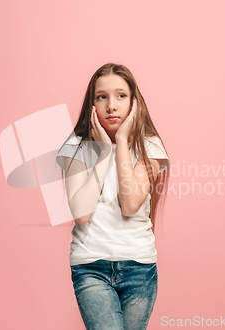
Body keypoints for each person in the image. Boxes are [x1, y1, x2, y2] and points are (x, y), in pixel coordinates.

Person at [55, 63, 170, 330]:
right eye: (102, 96)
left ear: (134, 102)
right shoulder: (75, 147)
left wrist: (121, 142)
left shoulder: (149, 145)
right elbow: (81, 214)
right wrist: (103, 153)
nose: (111, 105)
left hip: (139, 268)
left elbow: (130, 205)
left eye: (121, 96)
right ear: (92, 103)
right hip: (91, 267)